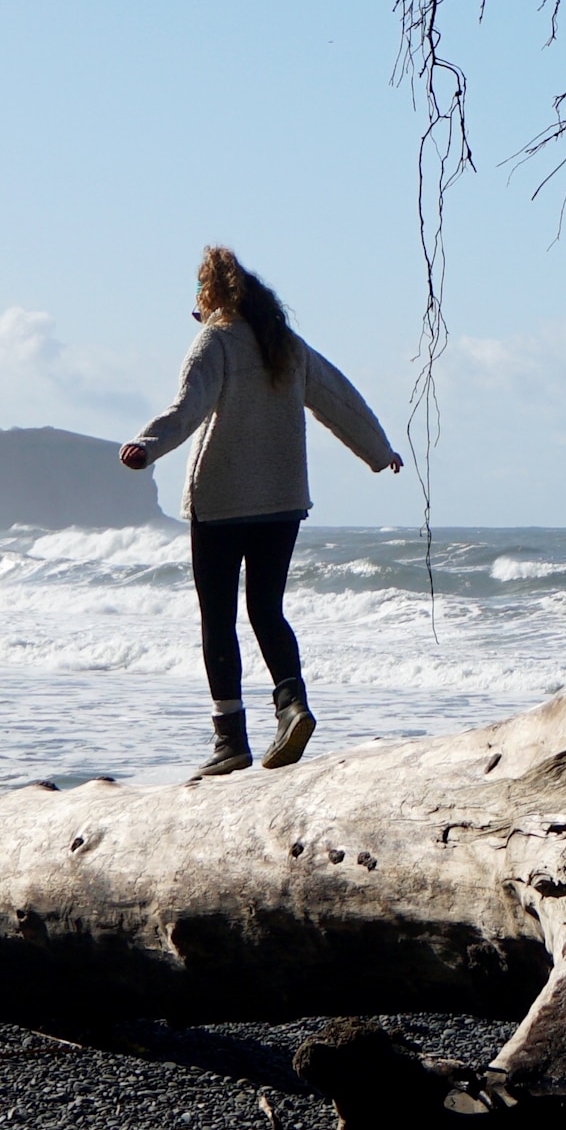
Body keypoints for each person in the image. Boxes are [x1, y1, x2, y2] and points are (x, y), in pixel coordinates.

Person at [120, 244, 404, 779]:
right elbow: (338, 399)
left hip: (222, 500)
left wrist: (147, 445)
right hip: (281, 500)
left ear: (210, 295)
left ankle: (230, 741)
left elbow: (188, 407)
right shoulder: (286, 345)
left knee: (218, 619)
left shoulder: (214, 342)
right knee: (267, 609)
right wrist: (378, 450)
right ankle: (292, 707)